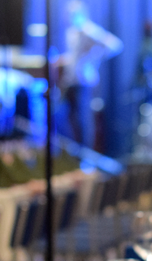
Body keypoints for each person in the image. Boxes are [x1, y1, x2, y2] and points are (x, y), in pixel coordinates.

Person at [58, 0, 122, 149]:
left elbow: (115, 45)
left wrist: (93, 57)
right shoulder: (71, 32)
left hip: (84, 81)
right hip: (71, 80)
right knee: (69, 118)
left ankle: (86, 154)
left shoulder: (88, 29)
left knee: (84, 119)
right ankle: (75, 152)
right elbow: (75, 56)